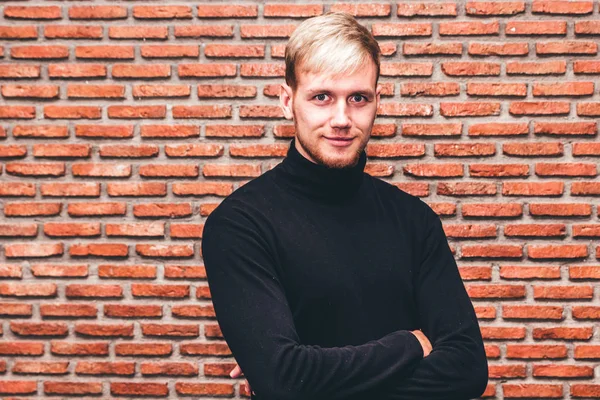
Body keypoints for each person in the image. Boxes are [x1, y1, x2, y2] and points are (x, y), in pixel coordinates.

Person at [201, 12, 488, 400]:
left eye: (358, 99)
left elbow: (468, 369)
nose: (342, 119)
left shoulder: (414, 221)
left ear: (377, 102)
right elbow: (284, 379)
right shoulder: (239, 225)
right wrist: (410, 344)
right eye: (322, 97)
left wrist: (310, 380)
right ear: (287, 102)